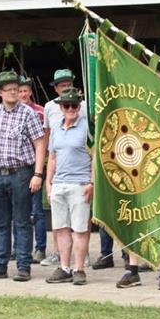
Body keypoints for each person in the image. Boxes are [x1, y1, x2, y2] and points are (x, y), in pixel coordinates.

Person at [0, 70, 45, 282]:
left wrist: (38, 173)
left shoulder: (28, 113)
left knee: (22, 221)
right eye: (9, 89)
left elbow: (40, 143)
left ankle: (23, 266)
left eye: (16, 89)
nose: (14, 92)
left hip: (21, 173)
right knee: (0, 222)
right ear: (0, 92)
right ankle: (0, 265)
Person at [44, 87, 93, 285]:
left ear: (79, 107)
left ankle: (79, 268)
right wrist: (48, 183)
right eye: (67, 105)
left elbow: (95, 157)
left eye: (74, 105)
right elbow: (53, 157)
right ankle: (64, 267)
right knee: (61, 228)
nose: (71, 109)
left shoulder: (87, 128)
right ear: (61, 108)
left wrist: (92, 182)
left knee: (80, 229)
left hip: (79, 183)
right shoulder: (55, 127)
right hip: (59, 184)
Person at [18, 75, 48, 263]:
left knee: (37, 210)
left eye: (25, 90)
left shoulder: (41, 112)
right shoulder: (11, 112)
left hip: (35, 165)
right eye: (19, 91)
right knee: (18, 210)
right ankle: (20, 248)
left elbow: (45, 139)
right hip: (19, 166)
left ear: (30, 91)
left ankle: (40, 248)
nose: (22, 94)